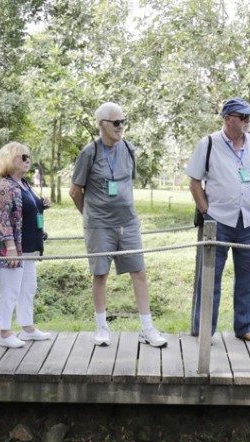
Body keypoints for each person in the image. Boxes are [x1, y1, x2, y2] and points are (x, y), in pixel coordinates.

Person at [69, 102, 167, 348]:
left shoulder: (129, 149)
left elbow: (126, 185)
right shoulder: (89, 152)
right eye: (116, 122)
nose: (121, 126)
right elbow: (74, 191)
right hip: (99, 225)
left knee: (140, 272)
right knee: (100, 274)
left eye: (123, 121)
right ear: (102, 125)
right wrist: (91, 217)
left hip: (128, 223)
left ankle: (147, 328)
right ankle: (101, 327)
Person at [186, 97, 250, 342]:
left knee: (247, 279)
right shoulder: (209, 144)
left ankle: (244, 327)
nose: (248, 121)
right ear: (227, 119)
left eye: (249, 117)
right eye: (243, 117)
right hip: (219, 222)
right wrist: (207, 212)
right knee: (209, 278)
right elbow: (194, 181)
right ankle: (203, 328)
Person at [0, 142, 52, 349]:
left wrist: (41, 206)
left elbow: (24, 211)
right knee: (10, 290)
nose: (28, 160)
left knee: (28, 288)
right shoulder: (4, 186)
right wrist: (10, 247)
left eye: (28, 157)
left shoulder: (24, 184)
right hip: (13, 247)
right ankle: (5, 333)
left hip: (29, 246)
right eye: (23, 157)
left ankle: (27, 327)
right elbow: (3, 219)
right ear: (10, 159)